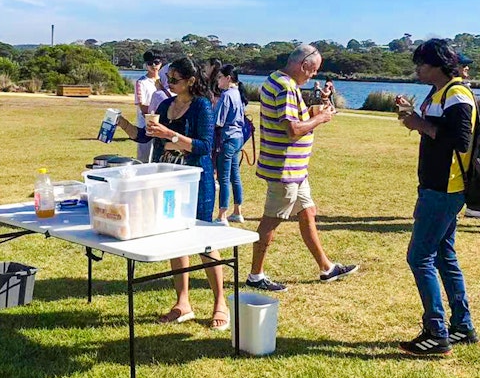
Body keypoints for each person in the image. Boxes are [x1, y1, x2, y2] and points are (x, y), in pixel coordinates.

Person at [116, 57, 229, 330]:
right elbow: (145, 137)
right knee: (174, 236)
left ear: (191, 80)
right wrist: (120, 123)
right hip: (168, 180)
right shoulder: (166, 105)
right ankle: (183, 303)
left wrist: (172, 135)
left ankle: (220, 303)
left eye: (175, 80)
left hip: (196, 180)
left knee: (204, 241)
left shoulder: (202, 105)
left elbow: (204, 146)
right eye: (168, 79)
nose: (169, 84)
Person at [248, 44, 358, 292]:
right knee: (271, 221)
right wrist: (320, 118)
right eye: (313, 70)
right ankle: (255, 274)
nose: (313, 76)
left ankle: (326, 267)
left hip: (295, 169)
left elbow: (290, 119)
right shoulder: (286, 87)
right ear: (303, 65)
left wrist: (310, 112)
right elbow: (292, 129)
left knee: (307, 211)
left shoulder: (275, 80)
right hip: (284, 169)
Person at [394, 40, 479, 355]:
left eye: (422, 64)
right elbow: (436, 129)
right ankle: (462, 325)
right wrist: (411, 115)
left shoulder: (457, 93)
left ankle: (436, 331)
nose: (417, 69)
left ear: (439, 65)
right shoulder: (441, 93)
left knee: (419, 257)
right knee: (444, 255)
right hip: (437, 186)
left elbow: (460, 139)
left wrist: (420, 125)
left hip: (444, 188)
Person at [457, 54, 480, 221]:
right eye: (463, 64)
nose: (467, 68)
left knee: (475, 174)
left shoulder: (463, 87)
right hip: (461, 145)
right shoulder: (452, 89)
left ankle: (473, 207)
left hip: (473, 142)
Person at [215, 64, 246, 225]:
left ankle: (222, 215)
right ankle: (237, 211)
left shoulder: (226, 95)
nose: (217, 80)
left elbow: (218, 121)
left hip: (227, 138)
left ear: (228, 78)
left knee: (224, 177)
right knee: (235, 175)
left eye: (220, 77)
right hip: (238, 138)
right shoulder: (237, 93)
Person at [133, 50, 163, 163]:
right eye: (150, 63)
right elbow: (143, 107)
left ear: (161, 63)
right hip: (146, 126)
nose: (154, 66)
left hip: (164, 126)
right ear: (146, 65)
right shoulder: (141, 82)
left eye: (156, 62)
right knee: (143, 159)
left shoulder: (166, 81)